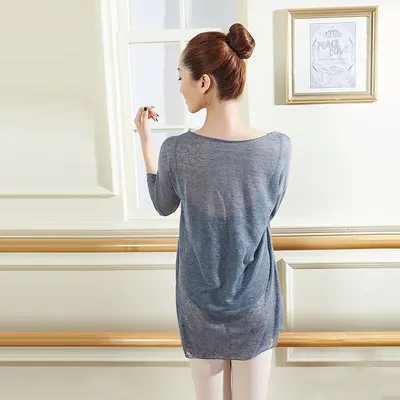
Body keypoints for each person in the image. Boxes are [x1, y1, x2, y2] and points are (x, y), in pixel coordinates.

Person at [134, 22, 291, 400]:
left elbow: (163, 204)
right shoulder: (278, 148)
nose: (179, 87)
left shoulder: (177, 150)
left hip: (199, 302)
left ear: (204, 82)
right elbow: (267, 213)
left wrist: (145, 143)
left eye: (181, 78)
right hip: (255, 299)